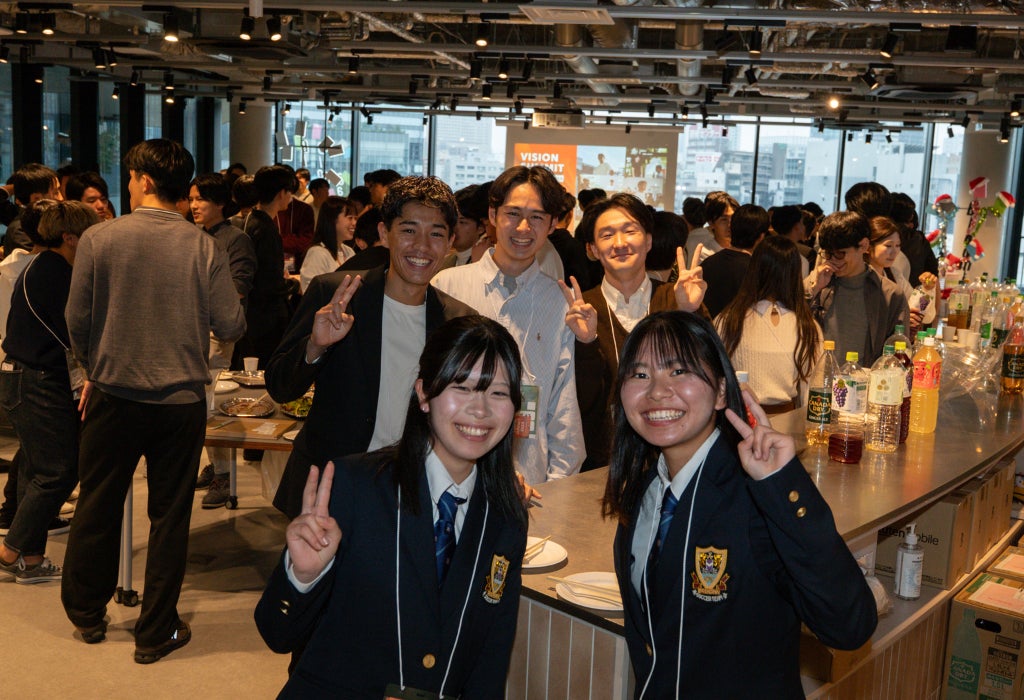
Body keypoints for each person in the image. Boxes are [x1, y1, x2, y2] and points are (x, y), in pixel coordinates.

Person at [603, 311, 877, 697]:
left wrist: (784, 485)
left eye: (679, 370)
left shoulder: (755, 494)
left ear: (720, 391)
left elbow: (850, 625)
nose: (658, 391)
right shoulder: (644, 491)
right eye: (640, 374)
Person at [256, 315, 528, 697]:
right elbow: (277, 634)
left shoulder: (505, 518)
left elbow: (489, 664)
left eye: (498, 393)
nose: (480, 410)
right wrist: (302, 576)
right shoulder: (357, 487)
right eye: (461, 387)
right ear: (424, 394)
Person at [61, 139, 245, 662]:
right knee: (169, 516)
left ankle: (87, 614)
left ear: (143, 180)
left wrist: (94, 365)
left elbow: (76, 320)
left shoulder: (99, 238)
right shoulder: (204, 247)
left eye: (130, 176)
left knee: (97, 503)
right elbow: (232, 323)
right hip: (179, 402)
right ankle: (155, 631)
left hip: (113, 394)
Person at [267, 176, 475, 519]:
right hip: (330, 487)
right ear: (384, 233)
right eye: (408, 230)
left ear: (451, 242)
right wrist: (315, 346)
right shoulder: (337, 295)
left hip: (413, 491)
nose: (422, 246)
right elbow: (280, 386)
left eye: (436, 234)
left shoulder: (458, 320)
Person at [431, 165, 584, 485]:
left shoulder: (560, 302)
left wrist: (557, 485)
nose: (523, 227)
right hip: (448, 471)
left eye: (537, 217)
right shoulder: (446, 286)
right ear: (493, 214)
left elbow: (563, 403)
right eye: (513, 213)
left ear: (553, 224)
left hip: (530, 479)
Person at [566, 193, 707, 470]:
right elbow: (577, 402)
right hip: (602, 464)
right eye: (607, 235)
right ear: (592, 249)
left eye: (630, 231)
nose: (620, 243)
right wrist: (586, 343)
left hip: (673, 459)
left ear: (648, 241)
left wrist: (689, 314)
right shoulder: (580, 310)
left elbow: (705, 377)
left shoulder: (677, 298)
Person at [0, 201, 98, 584]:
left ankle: (32, 557)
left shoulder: (42, 266)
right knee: (59, 471)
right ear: (69, 237)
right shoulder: (56, 273)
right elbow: (77, 332)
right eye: (87, 236)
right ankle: (11, 550)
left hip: (22, 377)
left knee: (36, 468)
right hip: (36, 380)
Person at [188, 172, 258, 506]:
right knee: (200, 402)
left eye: (200, 198)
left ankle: (224, 474)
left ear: (219, 202)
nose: (194, 205)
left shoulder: (235, 239)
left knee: (210, 403)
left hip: (217, 330)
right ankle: (215, 465)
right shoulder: (193, 235)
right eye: (191, 199)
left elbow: (239, 287)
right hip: (191, 329)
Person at [715, 235, 823, 412]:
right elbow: (813, 388)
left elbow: (714, 377)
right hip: (787, 420)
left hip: (737, 418)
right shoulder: (807, 326)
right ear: (794, 274)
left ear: (754, 269)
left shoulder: (727, 319)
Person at [806, 210, 908, 365]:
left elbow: (899, 353)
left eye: (840, 254)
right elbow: (790, 324)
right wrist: (814, 289)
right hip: (818, 376)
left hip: (865, 378)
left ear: (864, 245)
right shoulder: (816, 282)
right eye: (827, 254)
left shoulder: (889, 294)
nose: (832, 260)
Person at [237, 164, 293, 368]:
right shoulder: (265, 228)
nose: (291, 197)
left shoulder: (252, 219)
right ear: (281, 193)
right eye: (289, 191)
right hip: (264, 318)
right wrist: (291, 286)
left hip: (252, 313)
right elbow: (269, 282)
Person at [700, 203, 769, 318]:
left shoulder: (707, 264)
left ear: (731, 228)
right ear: (761, 236)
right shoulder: (757, 271)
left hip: (707, 328)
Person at [868, 216, 933, 331]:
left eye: (898, 245)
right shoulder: (861, 276)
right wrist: (901, 318)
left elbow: (919, 311)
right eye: (888, 246)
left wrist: (927, 290)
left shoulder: (894, 274)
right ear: (868, 246)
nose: (895, 252)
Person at [298, 196, 358, 293]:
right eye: (350, 218)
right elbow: (310, 292)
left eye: (355, 218)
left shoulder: (349, 251)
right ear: (332, 219)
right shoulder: (317, 253)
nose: (354, 223)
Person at [2, 163, 63, 253]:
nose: (61, 198)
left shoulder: (44, 221)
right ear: (37, 199)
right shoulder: (21, 230)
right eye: (56, 192)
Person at [685, 191, 736, 262]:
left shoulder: (743, 249)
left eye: (734, 218)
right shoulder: (705, 254)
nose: (730, 224)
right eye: (724, 219)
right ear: (711, 222)